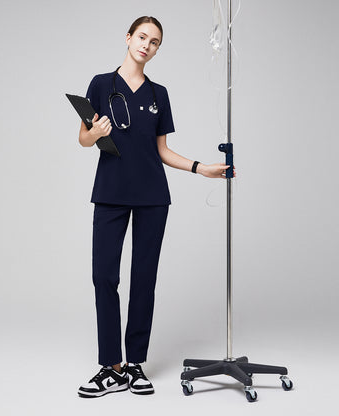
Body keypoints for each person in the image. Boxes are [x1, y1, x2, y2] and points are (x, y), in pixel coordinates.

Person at [77, 16, 235, 398]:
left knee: (144, 281)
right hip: (111, 193)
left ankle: (135, 364)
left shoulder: (158, 94)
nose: (146, 45)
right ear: (128, 38)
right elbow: (84, 139)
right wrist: (94, 133)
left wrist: (200, 168)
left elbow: (161, 150)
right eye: (142, 37)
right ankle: (109, 366)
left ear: (157, 49)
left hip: (152, 197)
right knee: (105, 279)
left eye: (155, 42)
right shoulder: (101, 84)